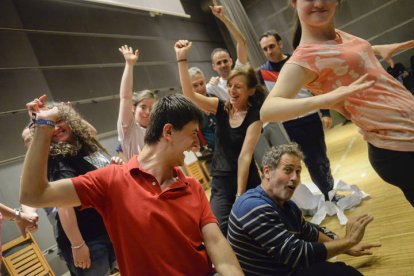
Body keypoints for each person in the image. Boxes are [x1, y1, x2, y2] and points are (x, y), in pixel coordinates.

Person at [20, 94, 243, 276]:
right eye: (193, 134)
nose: (197, 143)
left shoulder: (192, 187)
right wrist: (43, 126)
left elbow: (217, 246)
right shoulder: (111, 182)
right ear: (168, 132)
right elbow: (34, 195)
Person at [260, 0, 414, 206]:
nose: (319, 2)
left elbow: (340, 56)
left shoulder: (335, 34)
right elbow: (268, 110)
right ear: (293, 2)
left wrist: (374, 49)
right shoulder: (303, 59)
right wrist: (327, 99)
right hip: (396, 145)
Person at [228, 143, 381, 275]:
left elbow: (309, 231)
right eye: (288, 170)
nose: (294, 177)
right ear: (267, 172)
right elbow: (299, 255)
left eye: (298, 171)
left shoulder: (287, 205)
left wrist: (347, 246)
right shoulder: (253, 207)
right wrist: (348, 242)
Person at [175, 39, 265, 236]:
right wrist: (182, 60)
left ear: (250, 91)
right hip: (221, 180)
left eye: (238, 87)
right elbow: (189, 95)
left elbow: (245, 156)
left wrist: (241, 194)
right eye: (230, 86)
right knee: (220, 228)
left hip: (246, 179)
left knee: (256, 226)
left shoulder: (255, 116)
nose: (232, 91)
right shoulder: (221, 107)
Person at [22, 97, 116, 275]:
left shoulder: (83, 147)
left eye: (60, 121)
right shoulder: (58, 160)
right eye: (51, 126)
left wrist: (67, 113)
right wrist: (77, 244)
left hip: (105, 231)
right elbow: (65, 206)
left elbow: (91, 132)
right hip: (88, 239)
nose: (56, 129)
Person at [258, 30, 336, 201]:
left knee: (319, 159)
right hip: (287, 126)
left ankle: (329, 193)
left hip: (310, 118)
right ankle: (313, 198)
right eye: (265, 49)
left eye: (272, 46)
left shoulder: (297, 62)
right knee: (298, 164)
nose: (269, 51)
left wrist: (325, 112)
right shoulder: (261, 73)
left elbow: (317, 86)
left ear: (280, 44)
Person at [117, 45, 156, 161]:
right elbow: (125, 97)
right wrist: (129, 65)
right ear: (133, 108)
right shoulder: (129, 129)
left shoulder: (158, 130)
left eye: (152, 108)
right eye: (143, 107)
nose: (147, 112)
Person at [206, 0, 248, 101]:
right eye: (219, 63)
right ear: (214, 67)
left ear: (231, 61)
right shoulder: (213, 87)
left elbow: (242, 42)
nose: (223, 65)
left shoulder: (239, 70)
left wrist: (224, 18)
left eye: (225, 61)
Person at [188, 66, 217, 153]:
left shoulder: (215, 99)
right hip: (210, 156)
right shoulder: (189, 112)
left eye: (201, 83)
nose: (200, 88)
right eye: (195, 85)